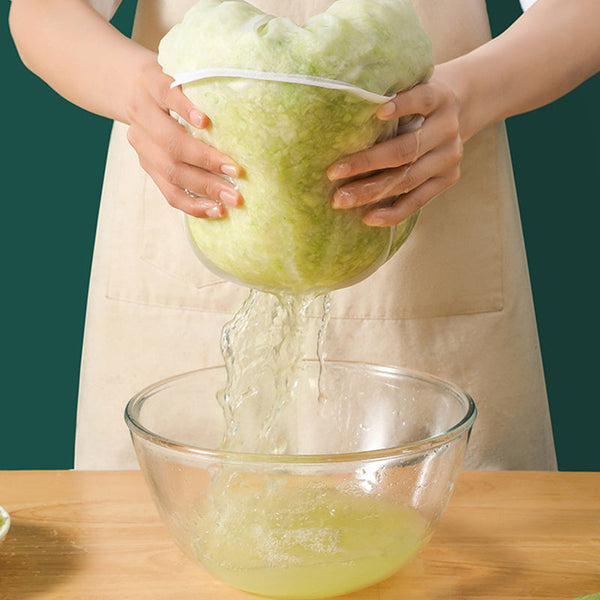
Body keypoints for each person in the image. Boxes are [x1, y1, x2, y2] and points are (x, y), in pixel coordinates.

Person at [9, 0, 600, 469]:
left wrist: (466, 96)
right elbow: (41, 10)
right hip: (186, 231)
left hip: (427, 231)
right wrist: (139, 92)